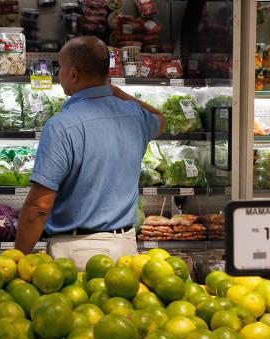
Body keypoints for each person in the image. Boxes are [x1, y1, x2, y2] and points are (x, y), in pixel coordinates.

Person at [14, 36, 165, 268]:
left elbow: (38, 207)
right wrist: (115, 92)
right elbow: (160, 119)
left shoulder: (61, 125)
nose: (59, 74)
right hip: (126, 249)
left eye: (61, 68)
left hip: (78, 252)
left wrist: (18, 259)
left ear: (73, 74)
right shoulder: (135, 115)